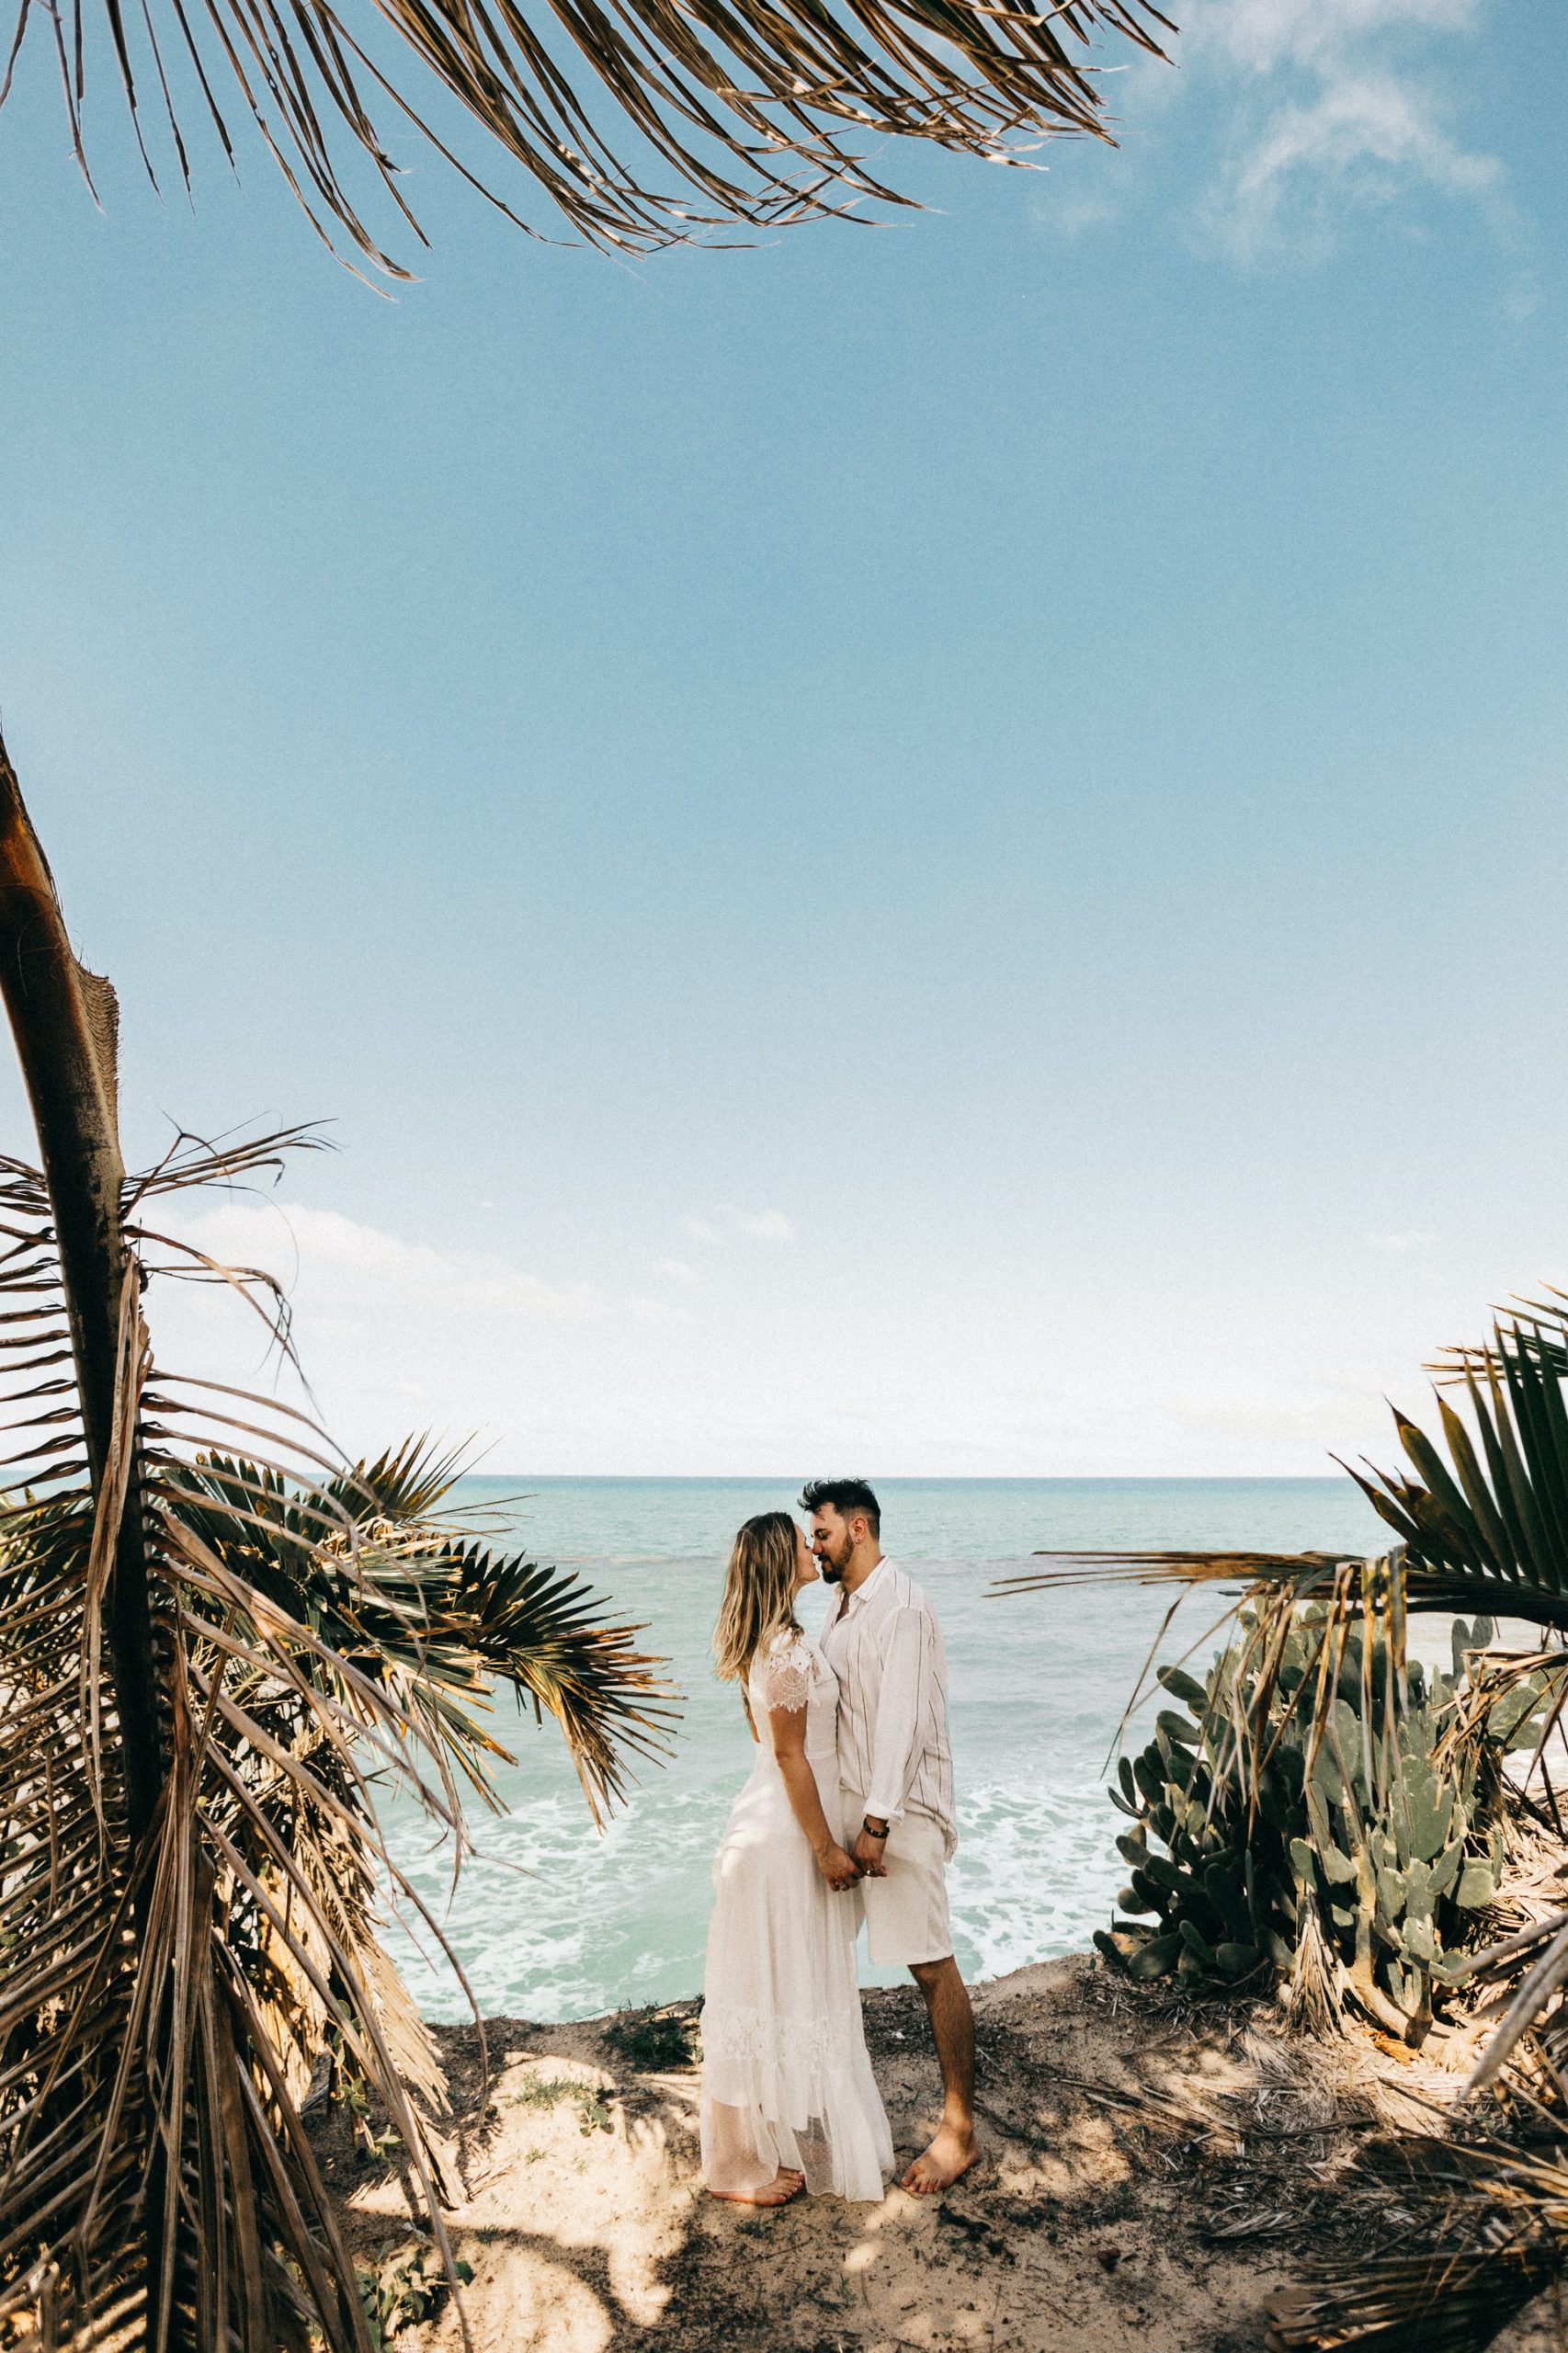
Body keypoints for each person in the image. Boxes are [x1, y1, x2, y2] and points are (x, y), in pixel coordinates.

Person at [699, 1510, 894, 2207]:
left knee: (775, 1991)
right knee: (761, 1994)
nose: (814, 1548)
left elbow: (769, 1741)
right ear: (781, 1561)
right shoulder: (782, 1649)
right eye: (802, 1542)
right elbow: (785, 1753)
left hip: (771, 1826)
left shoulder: (775, 1641)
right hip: (780, 1841)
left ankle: (774, 2145)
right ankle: (734, 2168)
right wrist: (823, 1846)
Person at [804, 1477, 978, 2195]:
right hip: (853, 1815)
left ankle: (959, 2130)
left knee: (929, 1963)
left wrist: (876, 1826)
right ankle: (823, 2114)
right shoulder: (841, 1611)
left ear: (860, 1529)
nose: (814, 1546)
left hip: (898, 1819)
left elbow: (901, 1726)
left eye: (822, 1533)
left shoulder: (900, 1608)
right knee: (815, 1956)